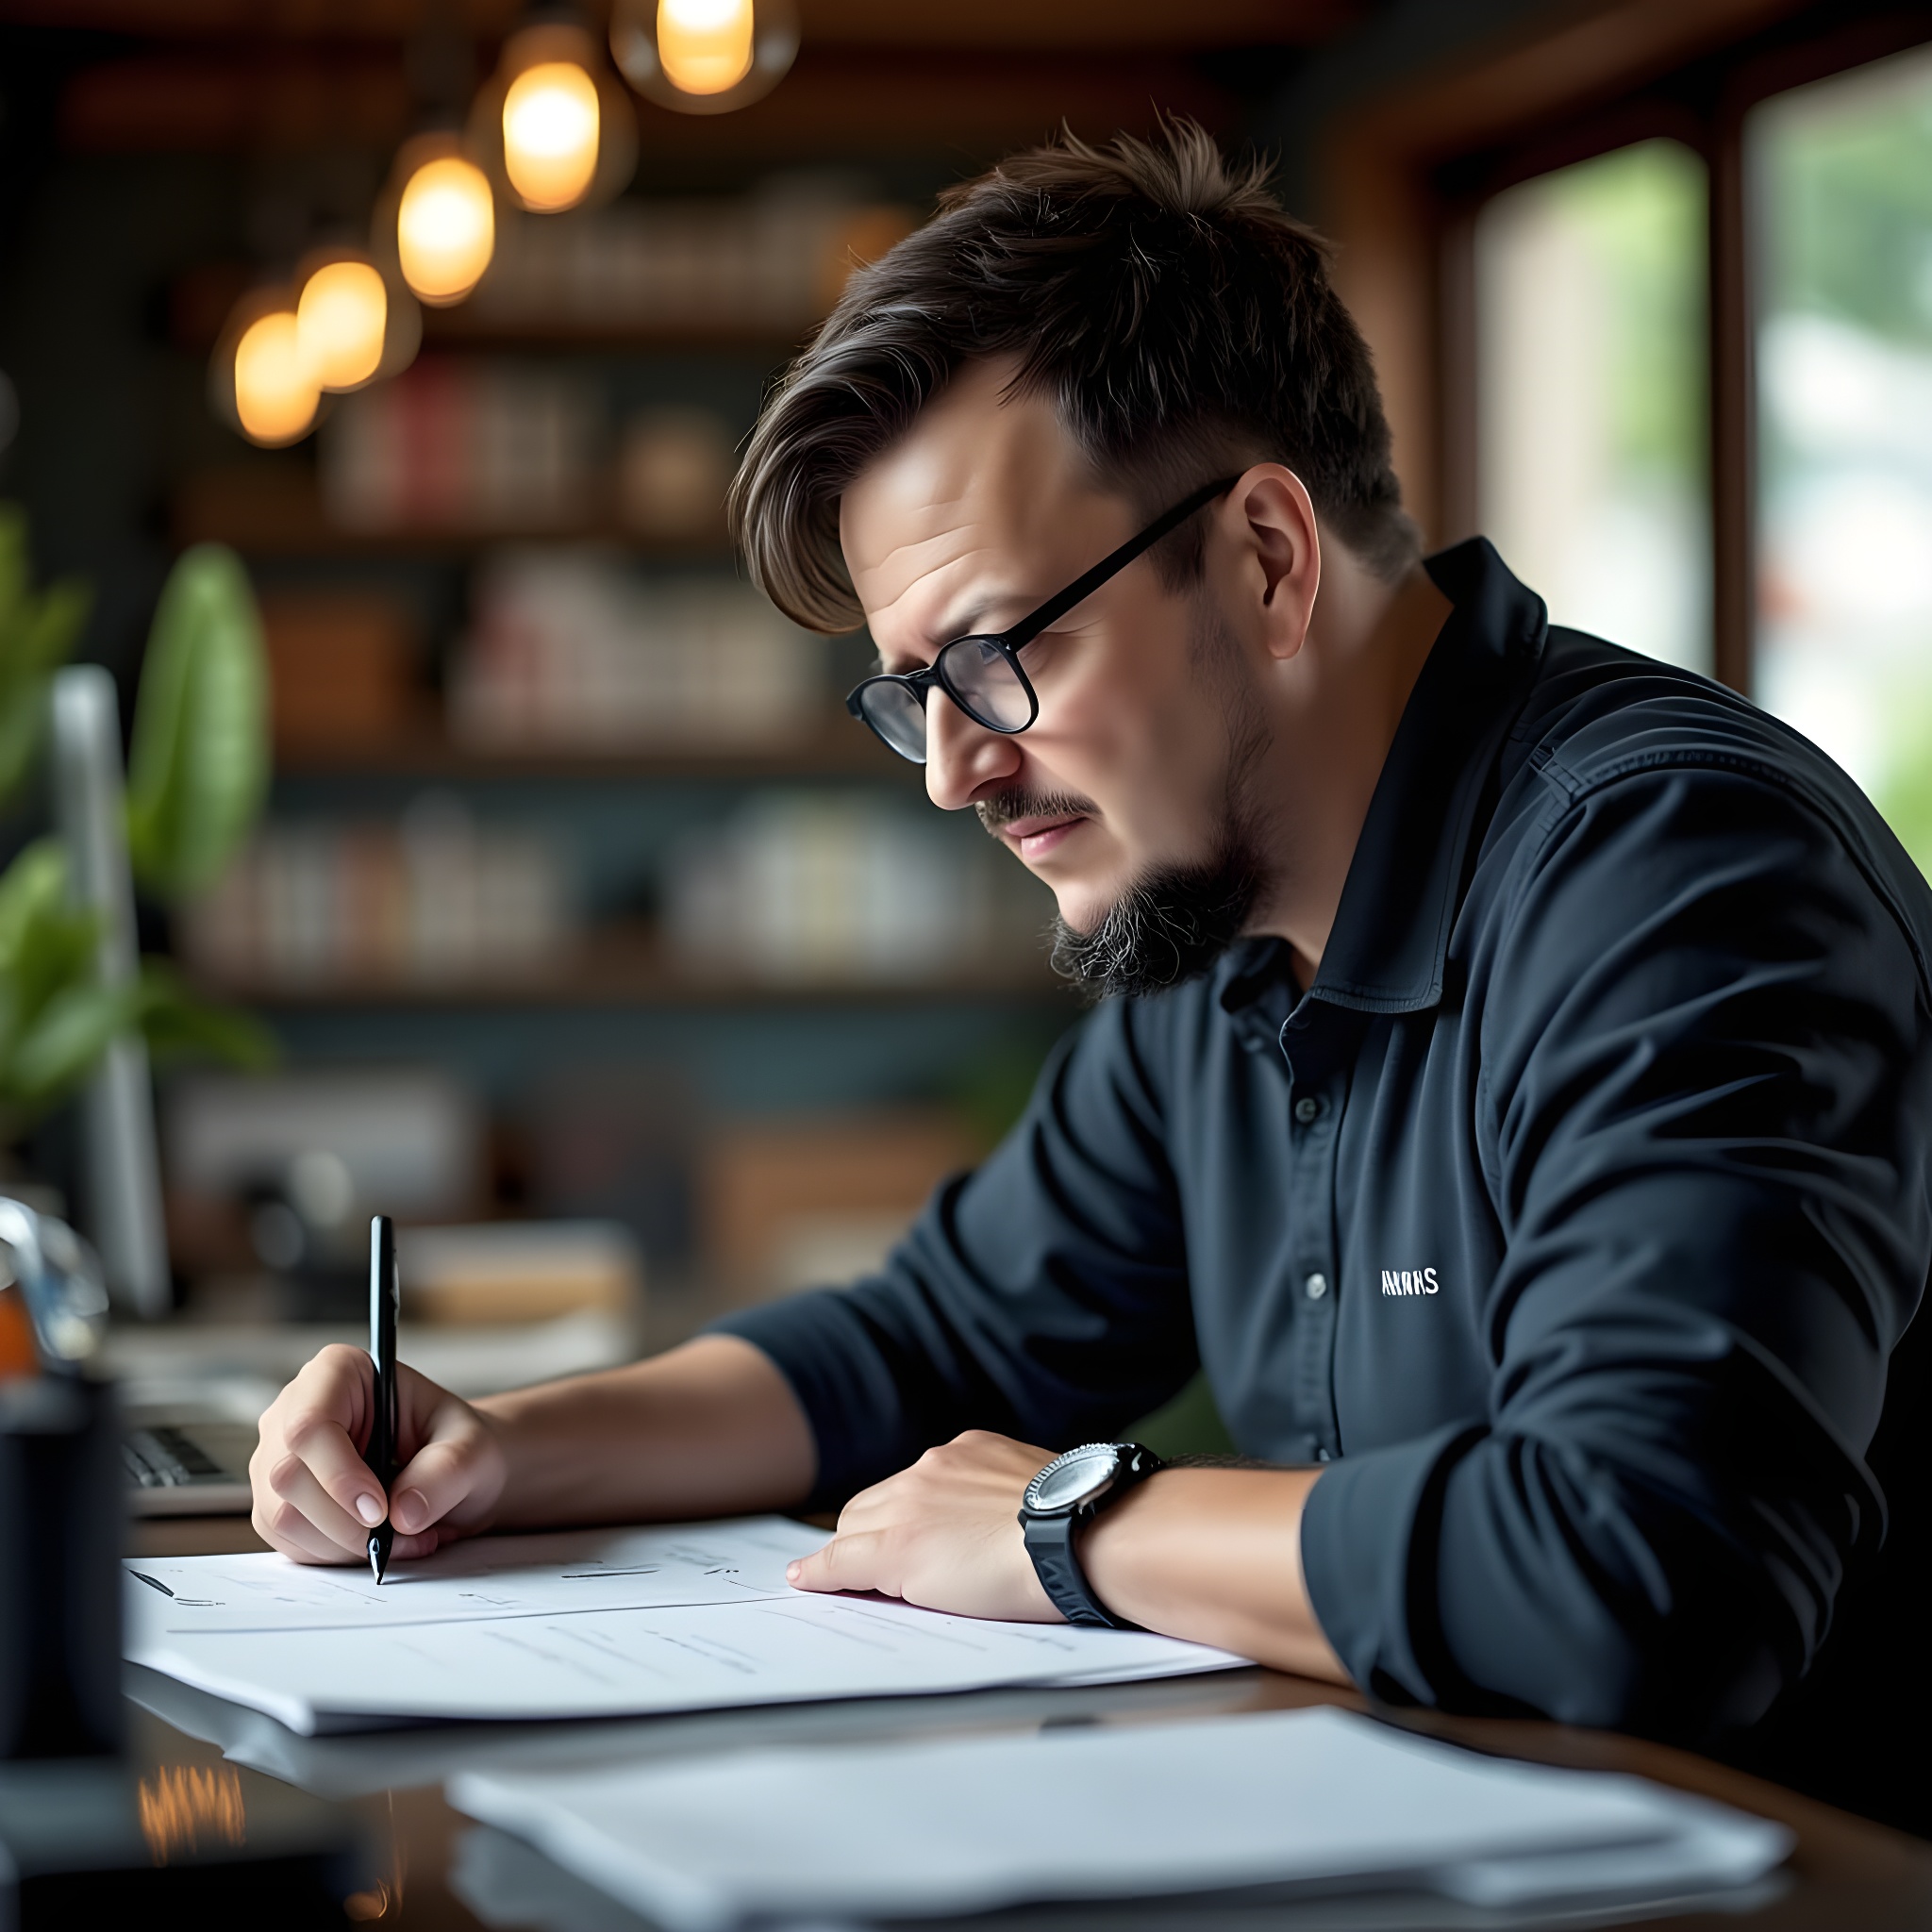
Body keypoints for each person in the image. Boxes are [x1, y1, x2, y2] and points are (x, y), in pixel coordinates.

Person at [252, 123, 1932, 1832]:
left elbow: (1646, 1565)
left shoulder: (1677, 871)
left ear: (1268, 558)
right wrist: (497, 1453)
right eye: (913, 693)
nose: (949, 773)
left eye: (992, 659)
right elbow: (931, 1341)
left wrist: (1075, 1521)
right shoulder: (1224, 926)